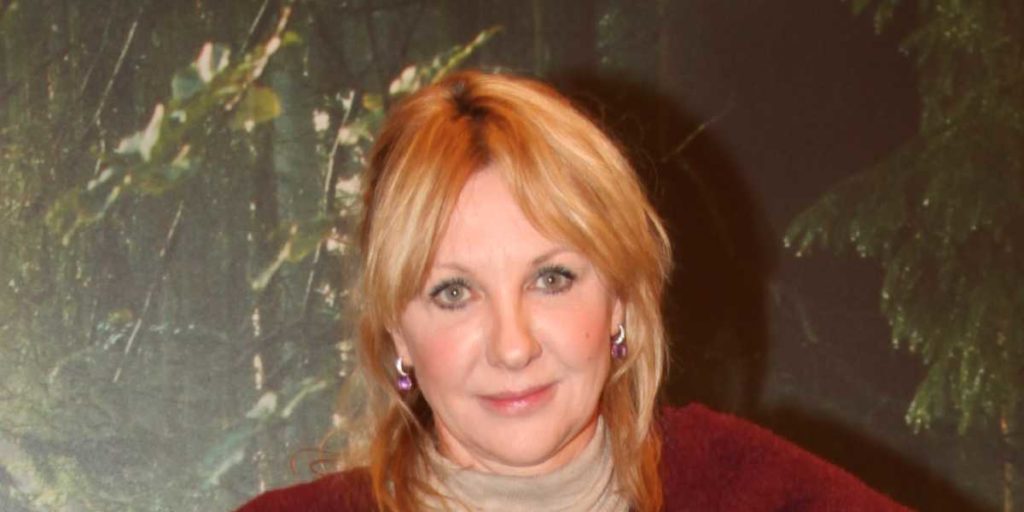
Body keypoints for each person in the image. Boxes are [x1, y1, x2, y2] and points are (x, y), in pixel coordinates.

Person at [236, 70, 907, 512]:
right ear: (396, 334)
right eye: (453, 293)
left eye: (551, 279)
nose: (513, 346)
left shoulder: (759, 493)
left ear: (620, 299)